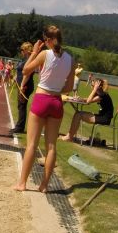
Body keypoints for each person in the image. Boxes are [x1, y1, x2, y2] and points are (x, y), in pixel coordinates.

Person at [13, 26, 75, 192]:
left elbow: (25, 70)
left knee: (32, 145)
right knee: (51, 146)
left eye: (45, 40)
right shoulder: (70, 59)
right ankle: (44, 185)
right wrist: (56, 90)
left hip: (42, 98)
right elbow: (69, 87)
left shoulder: (44, 54)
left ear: (48, 40)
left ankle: (22, 183)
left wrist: (34, 52)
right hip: (56, 102)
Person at [62, 78, 114, 143]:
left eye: (93, 86)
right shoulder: (99, 94)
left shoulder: (102, 95)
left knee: (78, 115)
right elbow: (88, 99)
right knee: (78, 113)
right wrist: (80, 99)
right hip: (101, 116)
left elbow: (88, 101)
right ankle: (70, 136)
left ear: (98, 86)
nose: (91, 87)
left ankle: (69, 137)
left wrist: (94, 89)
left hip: (104, 119)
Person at [10, 42, 34, 134]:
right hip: (22, 85)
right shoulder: (25, 60)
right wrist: (15, 77)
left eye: (22, 50)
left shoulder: (30, 60)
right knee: (20, 105)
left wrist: (22, 86)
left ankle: (19, 127)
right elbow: (20, 71)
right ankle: (20, 126)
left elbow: (27, 74)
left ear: (27, 50)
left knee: (22, 105)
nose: (21, 51)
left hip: (26, 86)